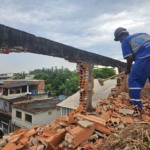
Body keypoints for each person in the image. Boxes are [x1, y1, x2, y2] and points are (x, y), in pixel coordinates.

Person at [114, 27, 150, 110]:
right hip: (145, 57)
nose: (120, 42)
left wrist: (128, 69)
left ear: (120, 36)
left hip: (144, 57)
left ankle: (137, 108)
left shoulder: (125, 41)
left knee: (134, 80)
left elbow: (129, 57)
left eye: (119, 40)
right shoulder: (143, 34)